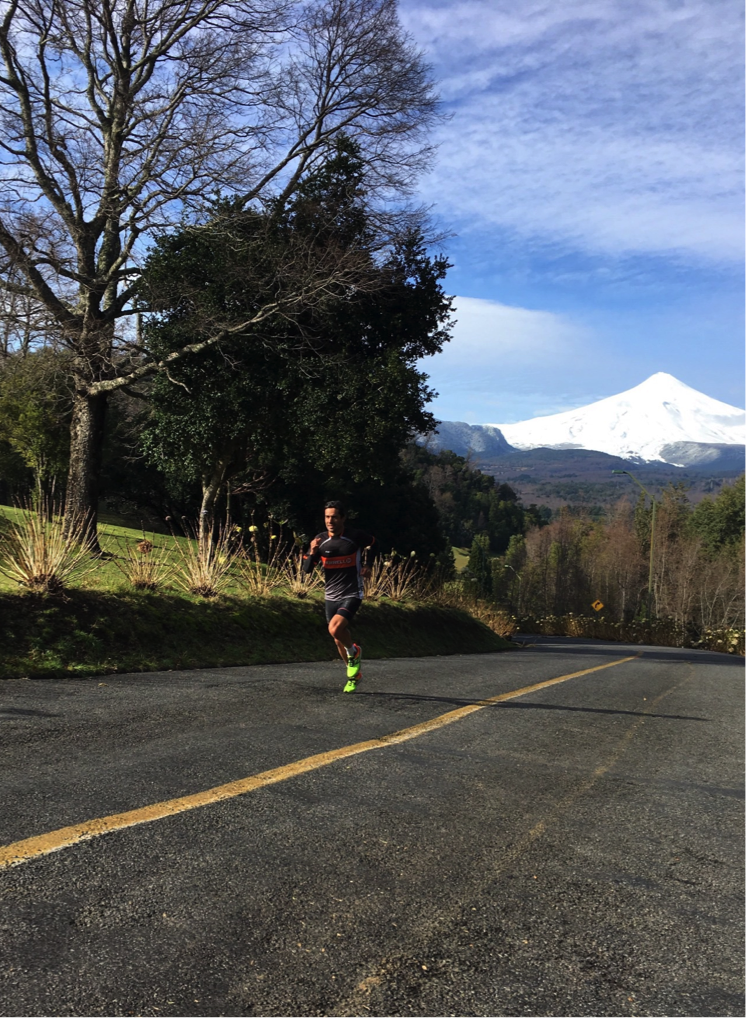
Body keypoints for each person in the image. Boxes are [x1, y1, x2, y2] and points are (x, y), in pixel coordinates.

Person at [302, 500, 376, 692]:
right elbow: (307, 569)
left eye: (334, 516)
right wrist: (312, 551)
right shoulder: (320, 540)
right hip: (331, 595)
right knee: (337, 639)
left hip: (352, 592)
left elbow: (373, 544)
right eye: (327, 517)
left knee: (335, 629)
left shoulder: (354, 536)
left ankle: (354, 652)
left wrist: (368, 565)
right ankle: (354, 674)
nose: (330, 521)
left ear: (343, 518)